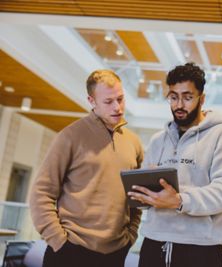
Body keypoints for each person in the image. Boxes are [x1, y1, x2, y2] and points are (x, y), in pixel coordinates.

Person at [128, 63, 222, 267]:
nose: (179, 105)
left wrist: (179, 200)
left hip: (200, 250)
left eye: (187, 97)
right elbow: (145, 193)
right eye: (173, 97)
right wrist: (144, 192)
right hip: (153, 244)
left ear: (202, 99)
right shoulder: (157, 140)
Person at [29, 70, 143, 267]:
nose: (117, 107)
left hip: (116, 253)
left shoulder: (133, 142)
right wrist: (59, 242)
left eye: (120, 99)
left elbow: (136, 196)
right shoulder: (70, 137)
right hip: (69, 252)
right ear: (92, 101)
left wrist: (130, 236)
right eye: (108, 102)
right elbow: (41, 193)